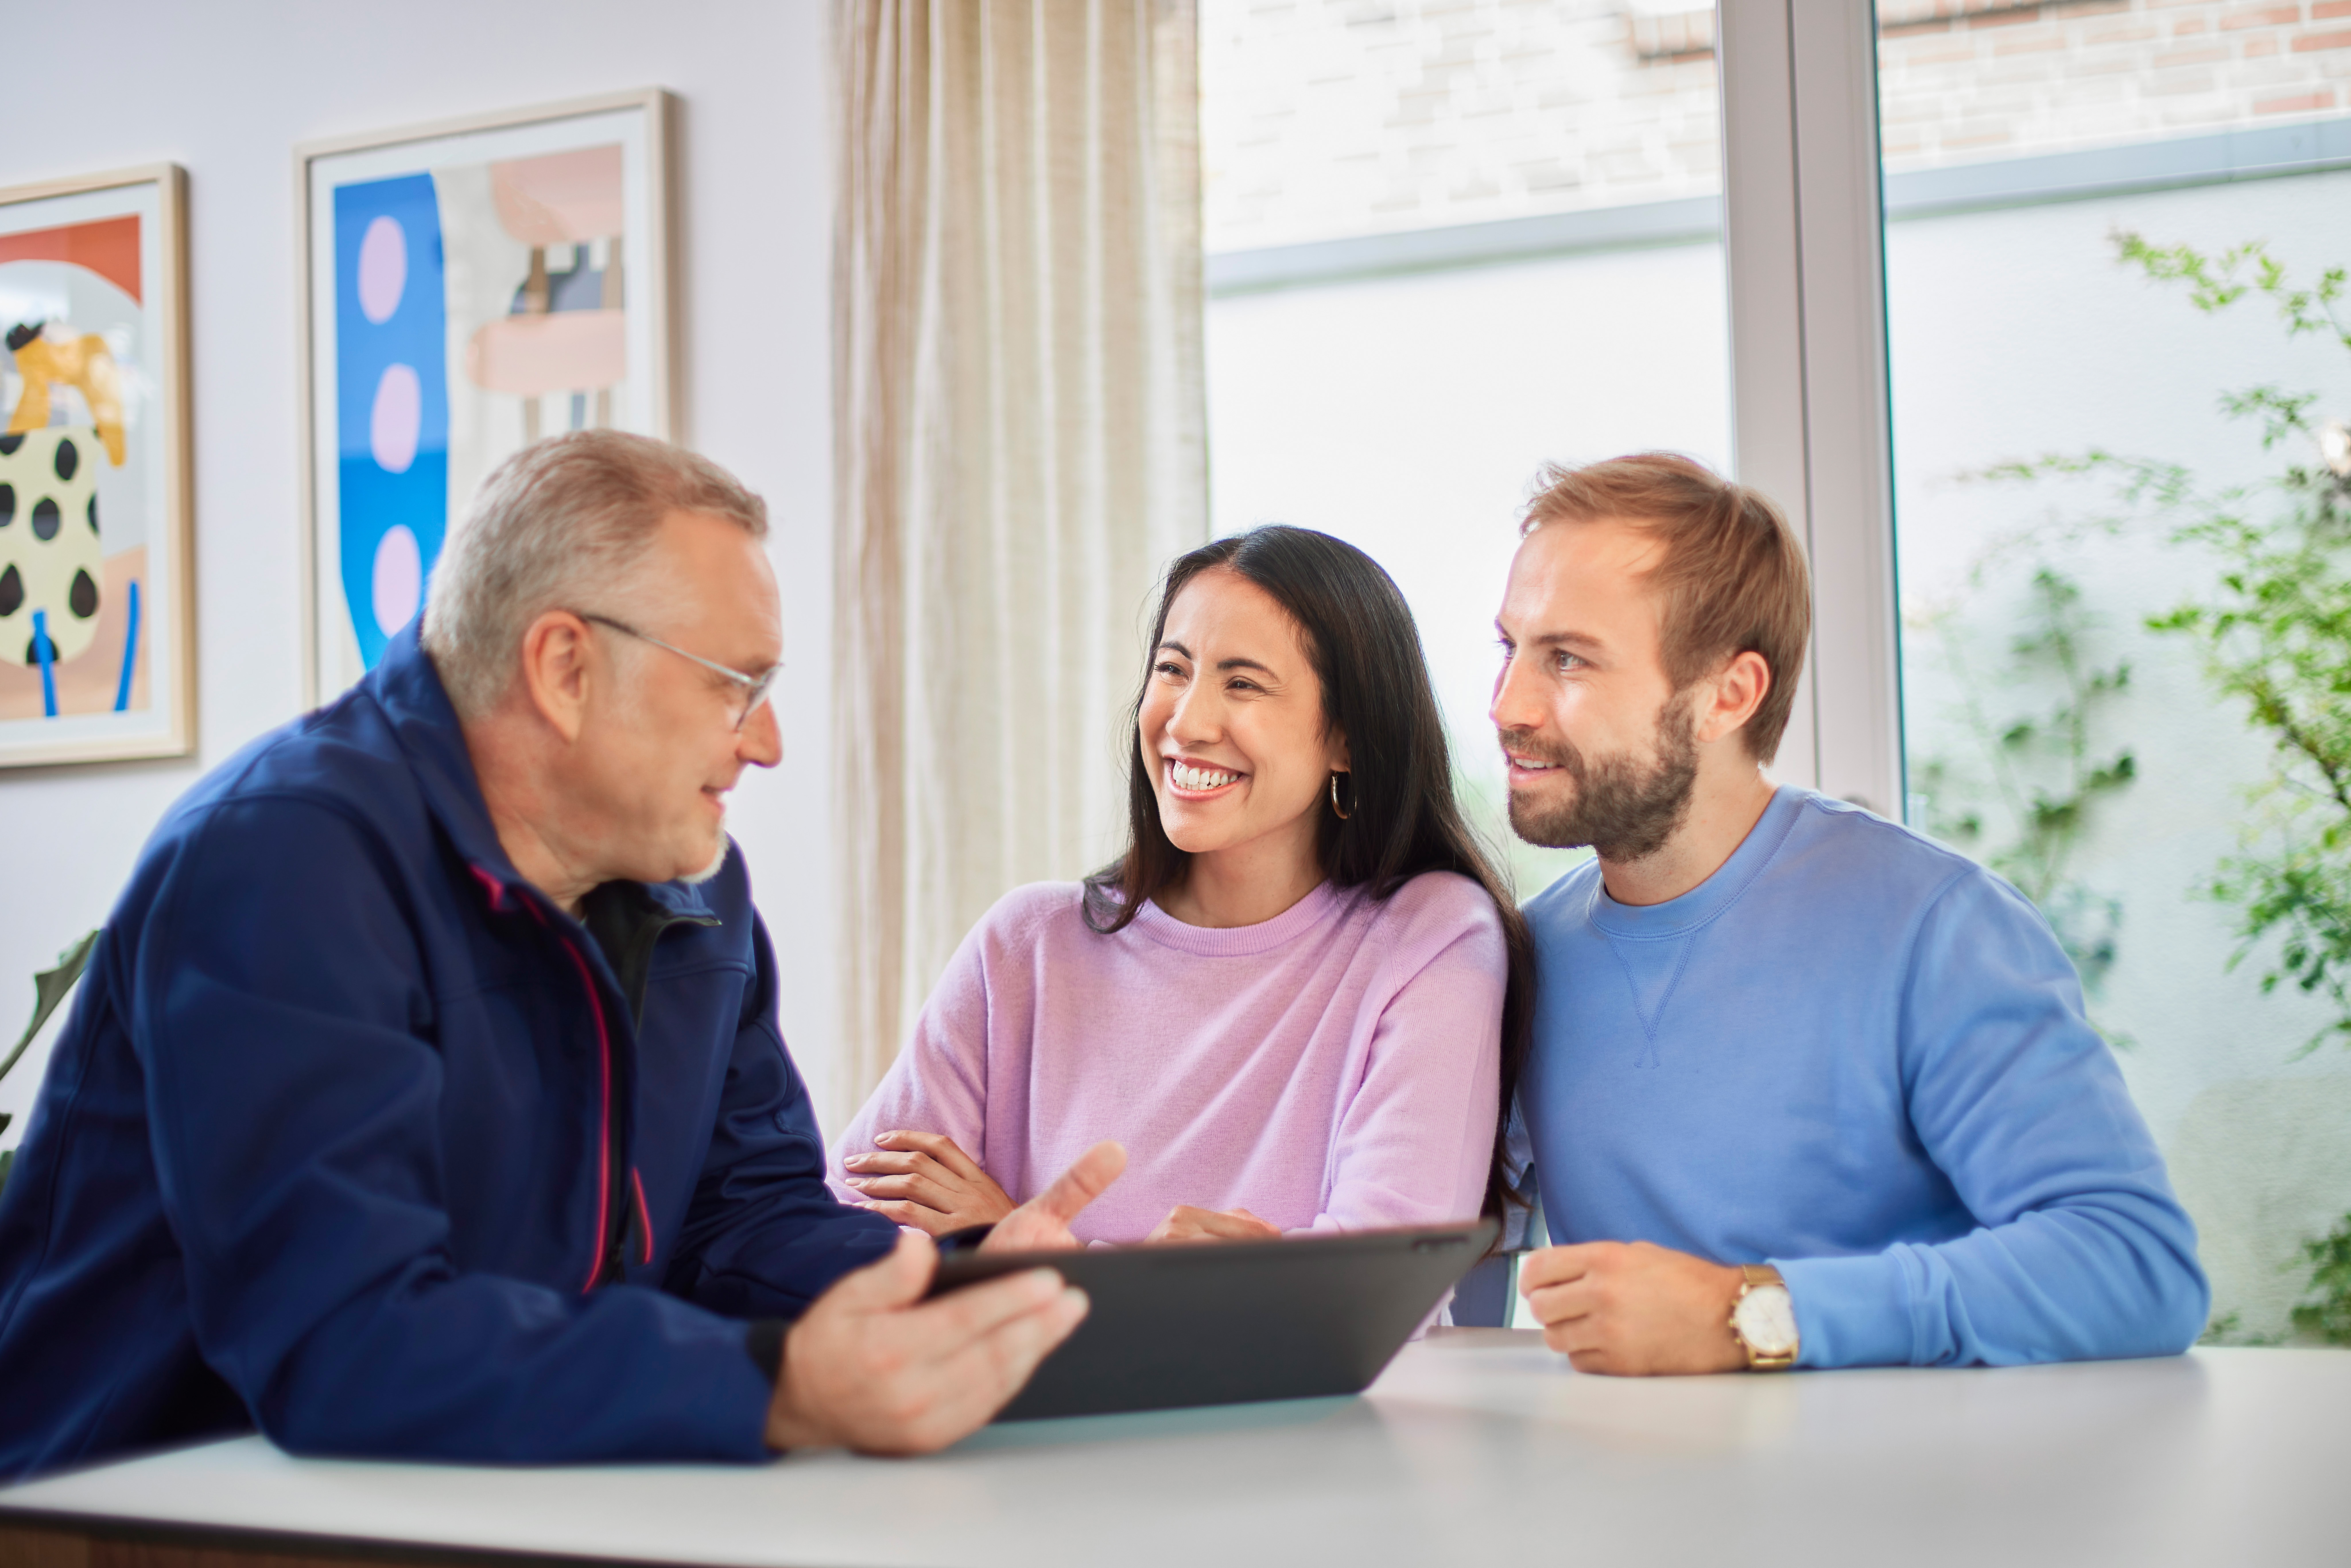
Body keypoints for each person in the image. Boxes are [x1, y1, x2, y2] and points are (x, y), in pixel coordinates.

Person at [0, 432, 1124, 1480]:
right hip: (132, 1515)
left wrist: (961, 1287)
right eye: (735, 685)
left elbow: (742, 1224)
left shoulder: (697, 890)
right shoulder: (283, 860)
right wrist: (776, 1384)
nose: (767, 742)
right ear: (565, 669)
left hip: (485, 1490)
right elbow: (349, 1342)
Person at [1493, 453, 2208, 1373]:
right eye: (1510, 649)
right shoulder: (1524, 958)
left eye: (1568, 659)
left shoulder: (1934, 928)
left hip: (1914, 1465)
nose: (1508, 706)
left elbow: (2136, 1267)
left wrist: (1746, 1314)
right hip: (1632, 1464)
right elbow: (1448, 1250)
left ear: (1728, 695)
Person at [831, 526, 1531, 1249]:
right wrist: (1157, 1283)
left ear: (1348, 737)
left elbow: (1380, 1278)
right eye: (1172, 669)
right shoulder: (1026, 944)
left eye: (1242, 683)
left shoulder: (1431, 936)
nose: (1186, 721)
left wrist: (1018, 1242)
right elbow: (842, 1228)